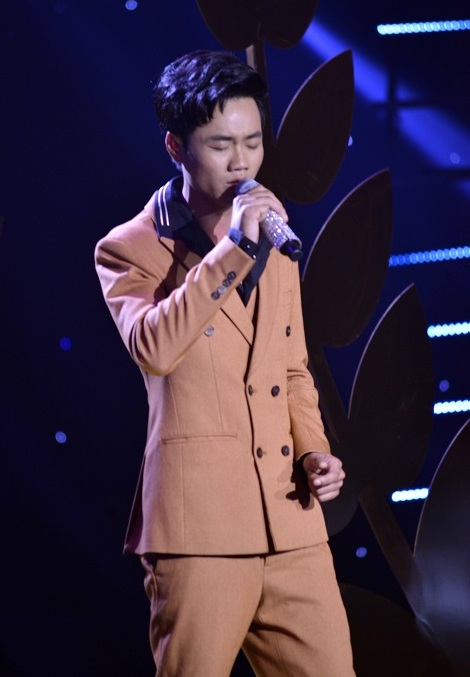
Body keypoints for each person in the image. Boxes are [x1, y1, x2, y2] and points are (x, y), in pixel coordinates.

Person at [95, 50, 355, 677]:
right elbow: (154, 347)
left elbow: (291, 368)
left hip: (291, 523)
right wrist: (235, 245)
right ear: (176, 147)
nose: (242, 162)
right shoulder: (129, 248)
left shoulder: (277, 237)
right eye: (221, 145)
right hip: (199, 532)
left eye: (253, 142)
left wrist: (314, 450)